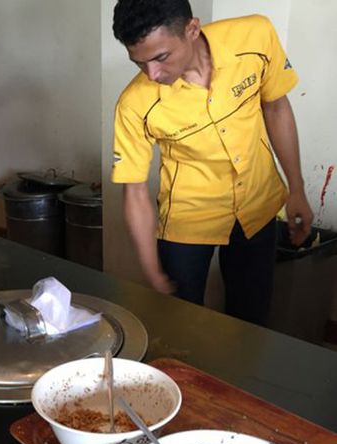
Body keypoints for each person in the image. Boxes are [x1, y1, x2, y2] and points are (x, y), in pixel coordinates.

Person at [111, 0, 313, 326]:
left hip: (258, 203)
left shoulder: (254, 37)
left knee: (251, 319)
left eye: (161, 57)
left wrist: (297, 189)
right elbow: (134, 191)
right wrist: (153, 272)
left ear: (192, 29)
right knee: (180, 327)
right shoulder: (134, 104)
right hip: (187, 219)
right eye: (140, 63)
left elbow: (275, 107)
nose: (153, 74)